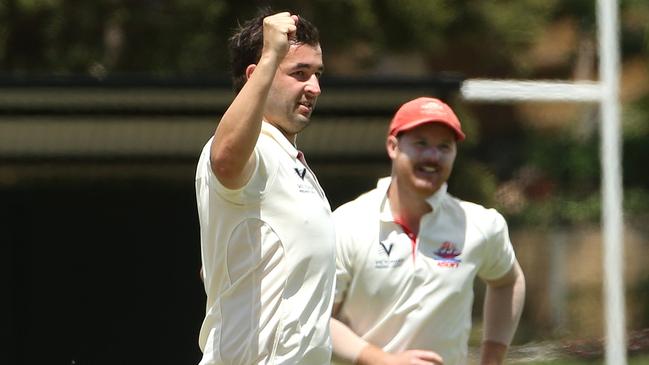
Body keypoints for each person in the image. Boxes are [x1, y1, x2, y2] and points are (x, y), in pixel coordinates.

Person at [330, 97, 526, 365]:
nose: (433, 156)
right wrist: (385, 361)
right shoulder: (346, 223)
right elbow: (317, 318)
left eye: (444, 147)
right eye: (421, 143)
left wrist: (491, 359)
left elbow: (509, 281)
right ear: (393, 146)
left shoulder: (481, 224)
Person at [194, 8, 335, 365]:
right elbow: (225, 157)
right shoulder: (255, 150)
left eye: (317, 74)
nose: (314, 88)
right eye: (299, 74)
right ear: (257, 75)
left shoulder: (292, 162)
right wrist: (272, 52)